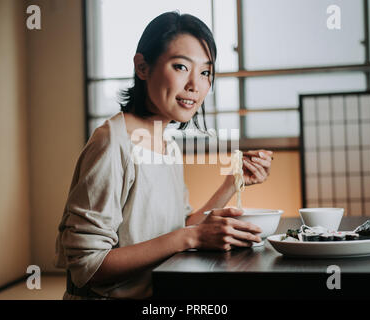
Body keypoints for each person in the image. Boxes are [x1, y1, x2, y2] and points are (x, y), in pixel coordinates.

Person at [54, 11, 273, 300]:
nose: (195, 85)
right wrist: (190, 237)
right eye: (181, 66)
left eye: (206, 72)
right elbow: (88, 267)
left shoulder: (165, 143)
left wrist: (232, 183)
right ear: (142, 67)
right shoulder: (112, 142)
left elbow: (179, 228)